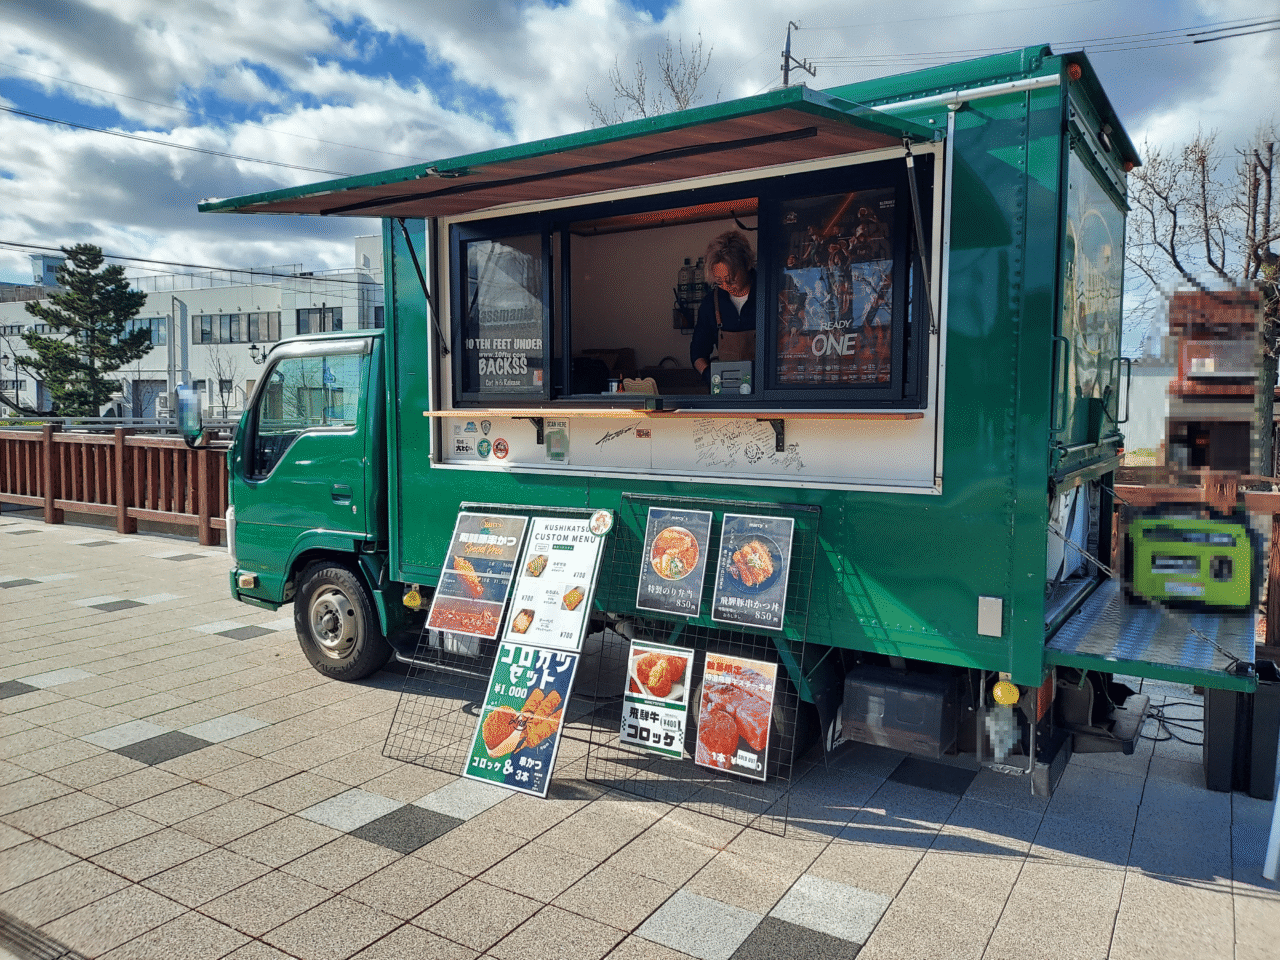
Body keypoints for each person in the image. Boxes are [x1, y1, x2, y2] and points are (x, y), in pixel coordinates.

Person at [690, 230, 757, 382]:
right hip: (728, 386)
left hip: (765, 389)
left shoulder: (768, 295)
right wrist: (708, 374)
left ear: (747, 264)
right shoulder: (711, 304)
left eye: (731, 279)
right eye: (719, 281)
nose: (726, 286)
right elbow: (697, 353)